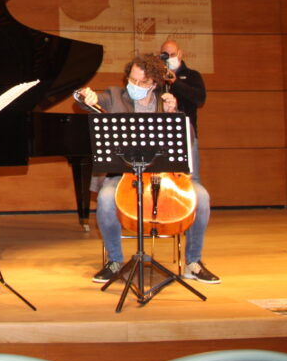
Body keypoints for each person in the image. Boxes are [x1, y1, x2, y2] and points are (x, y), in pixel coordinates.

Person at [78, 53, 219, 285]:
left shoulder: (167, 102)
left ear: (154, 83)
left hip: (165, 177)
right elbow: (87, 101)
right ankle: (114, 261)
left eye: (141, 83)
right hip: (125, 176)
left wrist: (176, 116)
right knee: (104, 198)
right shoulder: (115, 95)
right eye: (131, 80)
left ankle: (194, 262)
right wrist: (85, 95)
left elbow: (189, 139)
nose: (134, 86)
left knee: (202, 197)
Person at [161, 39, 206, 134]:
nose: (169, 58)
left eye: (172, 55)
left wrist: (175, 82)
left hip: (186, 132)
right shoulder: (156, 78)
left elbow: (200, 99)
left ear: (180, 54)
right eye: (166, 55)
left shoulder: (192, 75)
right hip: (162, 132)